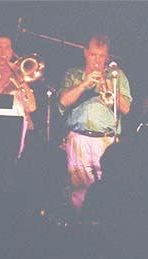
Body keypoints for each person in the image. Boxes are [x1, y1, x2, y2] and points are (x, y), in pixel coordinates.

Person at [57, 33, 132, 217]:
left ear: (107, 56)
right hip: (78, 139)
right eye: (93, 55)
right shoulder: (73, 74)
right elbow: (63, 102)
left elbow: (126, 108)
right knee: (78, 189)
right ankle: (80, 226)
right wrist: (84, 85)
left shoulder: (116, 76)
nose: (97, 60)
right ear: (85, 53)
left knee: (110, 187)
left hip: (106, 140)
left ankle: (105, 226)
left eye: (102, 56)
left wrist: (109, 87)